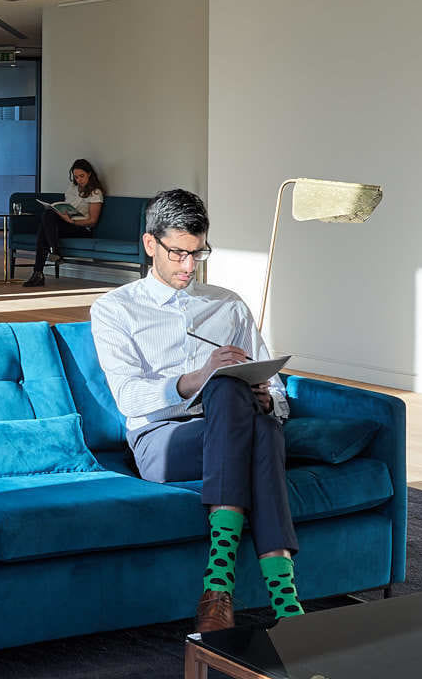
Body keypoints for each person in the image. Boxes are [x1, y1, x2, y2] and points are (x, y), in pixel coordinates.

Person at [89, 188, 299, 633]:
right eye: (178, 254)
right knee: (229, 393)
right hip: (161, 442)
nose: (188, 266)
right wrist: (198, 378)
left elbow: (277, 388)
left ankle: (221, 591)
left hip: (231, 429)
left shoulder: (229, 304)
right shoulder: (114, 309)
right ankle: (277, 599)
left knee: (260, 419)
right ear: (150, 244)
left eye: (198, 253)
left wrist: (269, 399)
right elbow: (128, 397)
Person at [22, 159, 105, 287]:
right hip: (67, 224)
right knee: (48, 215)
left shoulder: (95, 193)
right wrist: (61, 213)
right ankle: (54, 253)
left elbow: (92, 221)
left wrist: (72, 221)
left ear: (89, 174)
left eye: (82, 176)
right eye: (76, 177)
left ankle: (40, 271)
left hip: (82, 229)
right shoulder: (72, 188)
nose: (79, 180)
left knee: (44, 229)